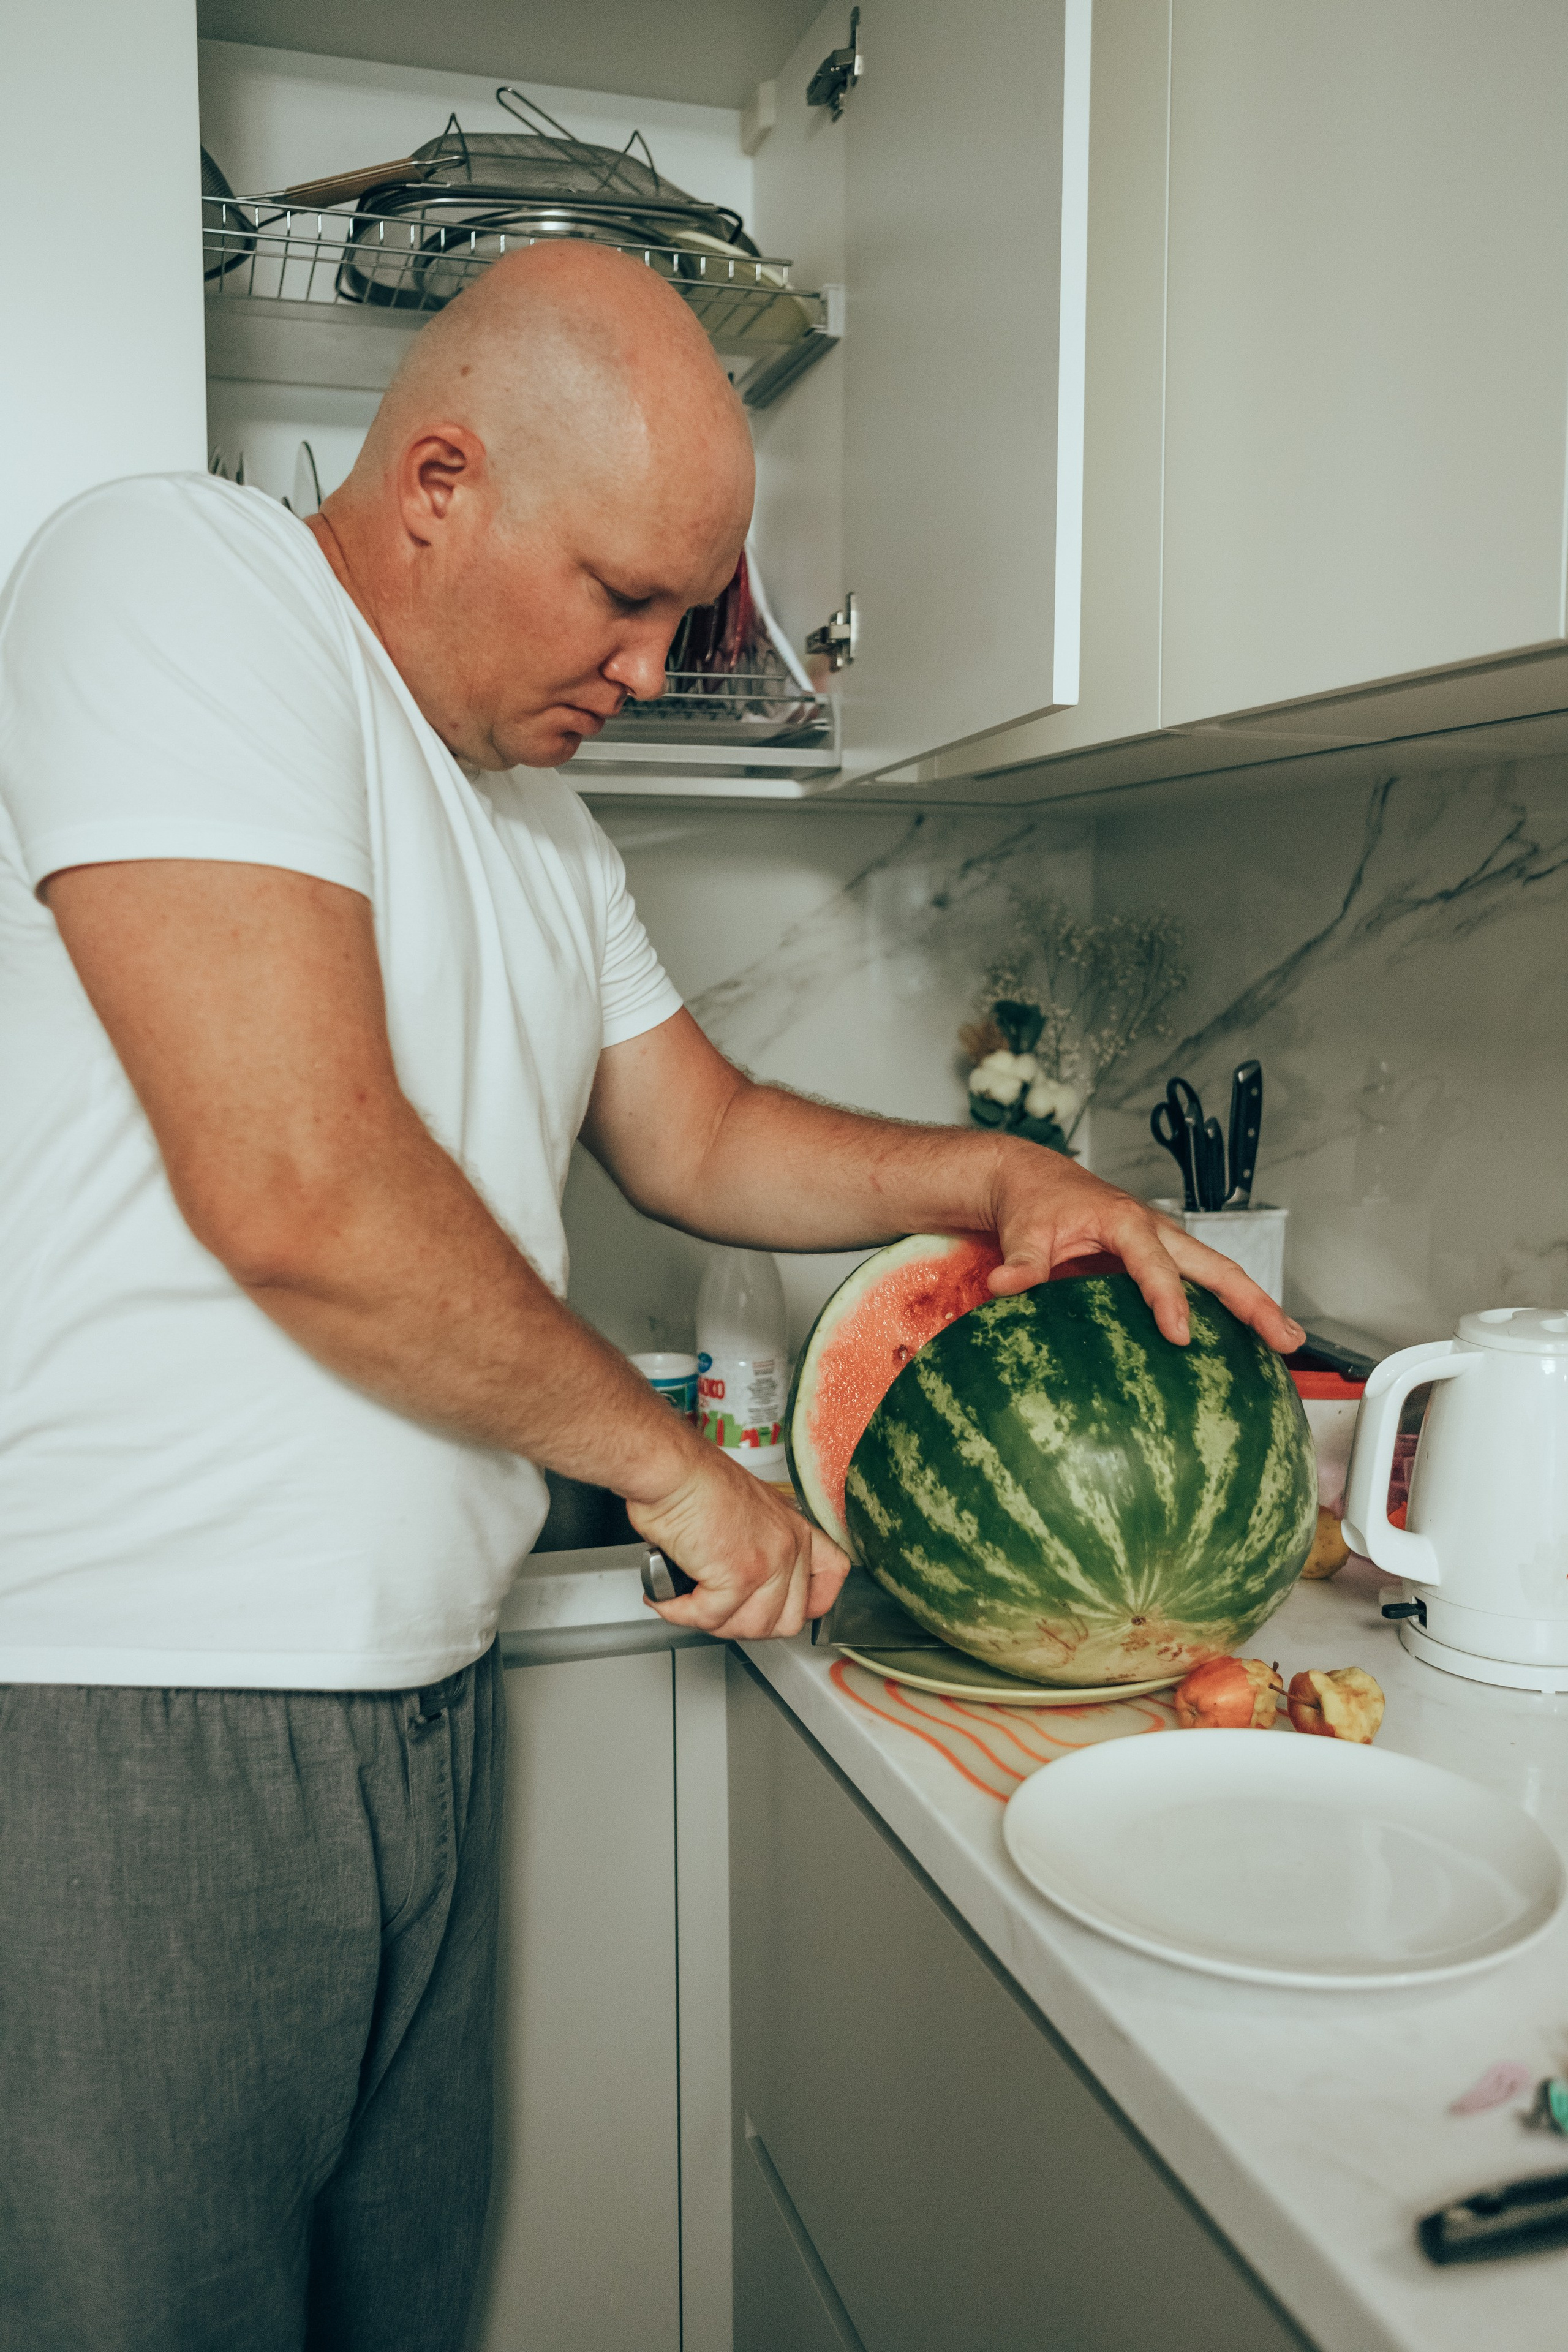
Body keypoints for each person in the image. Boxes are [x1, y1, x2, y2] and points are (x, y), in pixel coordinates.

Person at [0, 241, 1301, 2351]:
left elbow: (695, 1135)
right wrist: (680, 1475)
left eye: (683, 618)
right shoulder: (180, 582)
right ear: (438, 482)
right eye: (621, 597)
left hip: (410, 1701)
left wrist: (1004, 1172)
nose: (651, 661)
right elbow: (299, 1187)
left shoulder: (534, 817)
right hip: (124, 1707)